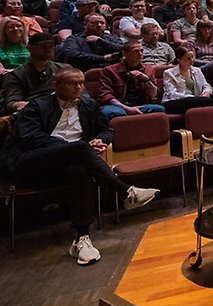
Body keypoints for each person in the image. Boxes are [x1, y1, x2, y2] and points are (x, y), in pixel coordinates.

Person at [0, 68, 160, 265]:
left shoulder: (88, 104)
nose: (79, 87)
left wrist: (100, 140)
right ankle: (125, 191)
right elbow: (30, 137)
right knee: (78, 149)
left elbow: (106, 129)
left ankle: (81, 239)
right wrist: (71, 147)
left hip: (71, 163)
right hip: (32, 163)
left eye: (82, 83)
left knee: (81, 172)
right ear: (55, 85)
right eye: (72, 83)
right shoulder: (37, 106)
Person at [98, 42, 166, 120]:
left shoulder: (148, 69)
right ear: (125, 54)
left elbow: (153, 95)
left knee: (159, 109)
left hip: (141, 104)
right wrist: (127, 109)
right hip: (119, 105)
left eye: (142, 51)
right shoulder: (109, 70)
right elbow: (106, 95)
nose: (140, 54)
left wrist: (146, 80)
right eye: (136, 51)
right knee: (116, 113)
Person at [2, 32, 68, 113]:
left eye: (51, 46)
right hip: (32, 112)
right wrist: (17, 104)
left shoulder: (65, 69)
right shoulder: (16, 74)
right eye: (43, 46)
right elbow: (11, 100)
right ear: (29, 48)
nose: (48, 49)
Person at [58, 12, 124, 71]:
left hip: (111, 70)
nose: (99, 25)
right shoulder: (73, 39)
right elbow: (73, 55)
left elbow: (124, 49)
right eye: (94, 23)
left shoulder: (111, 37)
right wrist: (103, 58)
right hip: (84, 70)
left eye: (102, 23)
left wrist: (100, 41)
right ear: (85, 25)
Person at [161, 46, 213, 114]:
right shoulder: (168, 73)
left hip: (195, 101)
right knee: (205, 102)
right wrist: (193, 98)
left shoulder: (197, 71)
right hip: (174, 102)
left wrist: (206, 92)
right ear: (179, 59)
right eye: (188, 58)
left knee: (206, 101)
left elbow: (206, 85)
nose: (191, 60)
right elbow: (172, 94)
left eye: (192, 57)